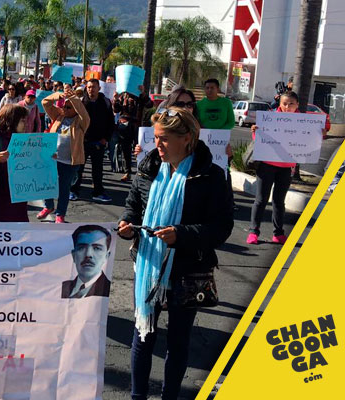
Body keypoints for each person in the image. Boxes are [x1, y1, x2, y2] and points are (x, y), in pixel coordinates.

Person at [117, 107, 233, 400]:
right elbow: (133, 204)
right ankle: (137, 396)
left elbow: (221, 227)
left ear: (188, 139)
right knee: (143, 335)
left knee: (179, 342)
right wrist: (127, 224)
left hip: (187, 269)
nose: (158, 145)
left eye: (165, 139)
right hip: (148, 265)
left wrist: (180, 235)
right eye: (156, 138)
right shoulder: (148, 167)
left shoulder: (211, 175)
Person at [247, 91, 322, 245]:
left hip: (286, 168)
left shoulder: (304, 121)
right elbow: (259, 141)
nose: (288, 107)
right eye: (284, 103)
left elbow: (311, 140)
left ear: (297, 105)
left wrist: (320, 134)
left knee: (279, 201)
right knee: (261, 199)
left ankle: (278, 233)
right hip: (267, 165)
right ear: (280, 104)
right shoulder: (270, 118)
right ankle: (254, 231)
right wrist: (255, 131)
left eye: (291, 104)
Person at [39, 87, 91, 223]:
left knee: (64, 188)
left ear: (75, 108)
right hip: (53, 158)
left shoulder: (81, 122)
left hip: (69, 162)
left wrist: (73, 98)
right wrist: (59, 96)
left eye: (69, 107)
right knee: (47, 183)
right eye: (64, 107)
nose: (65, 109)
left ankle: (60, 214)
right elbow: (45, 102)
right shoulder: (59, 116)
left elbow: (84, 114)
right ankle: (48, 206)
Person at [70, 79, 115, 202]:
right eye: (89, 87)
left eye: (94, 87)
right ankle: (73, 190)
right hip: (82, 142)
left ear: (99, 88)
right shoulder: (81, 102)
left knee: (97, 170)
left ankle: (98, 192)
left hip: (99, 143)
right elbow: (75, 121)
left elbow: (111, 122)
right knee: (78, 168)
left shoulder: (105, 102)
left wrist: (106, 139)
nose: (91, 89)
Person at [61, 225, 112, 298]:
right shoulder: (60, 287)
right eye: (81, 248)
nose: (88, 254)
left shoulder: (109, 290)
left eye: (97, 248)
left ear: (107, 256)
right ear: (73, 255)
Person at [196, 78, 235, 172]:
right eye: (207, 88)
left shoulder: (226, 103)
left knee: (222, 168)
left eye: (212, 88)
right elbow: (196, 122)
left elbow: (231, 122)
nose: (209, 90)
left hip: (221, 142)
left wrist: (218, 133)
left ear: (217, 89)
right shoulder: (199, 104)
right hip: (204, 141)